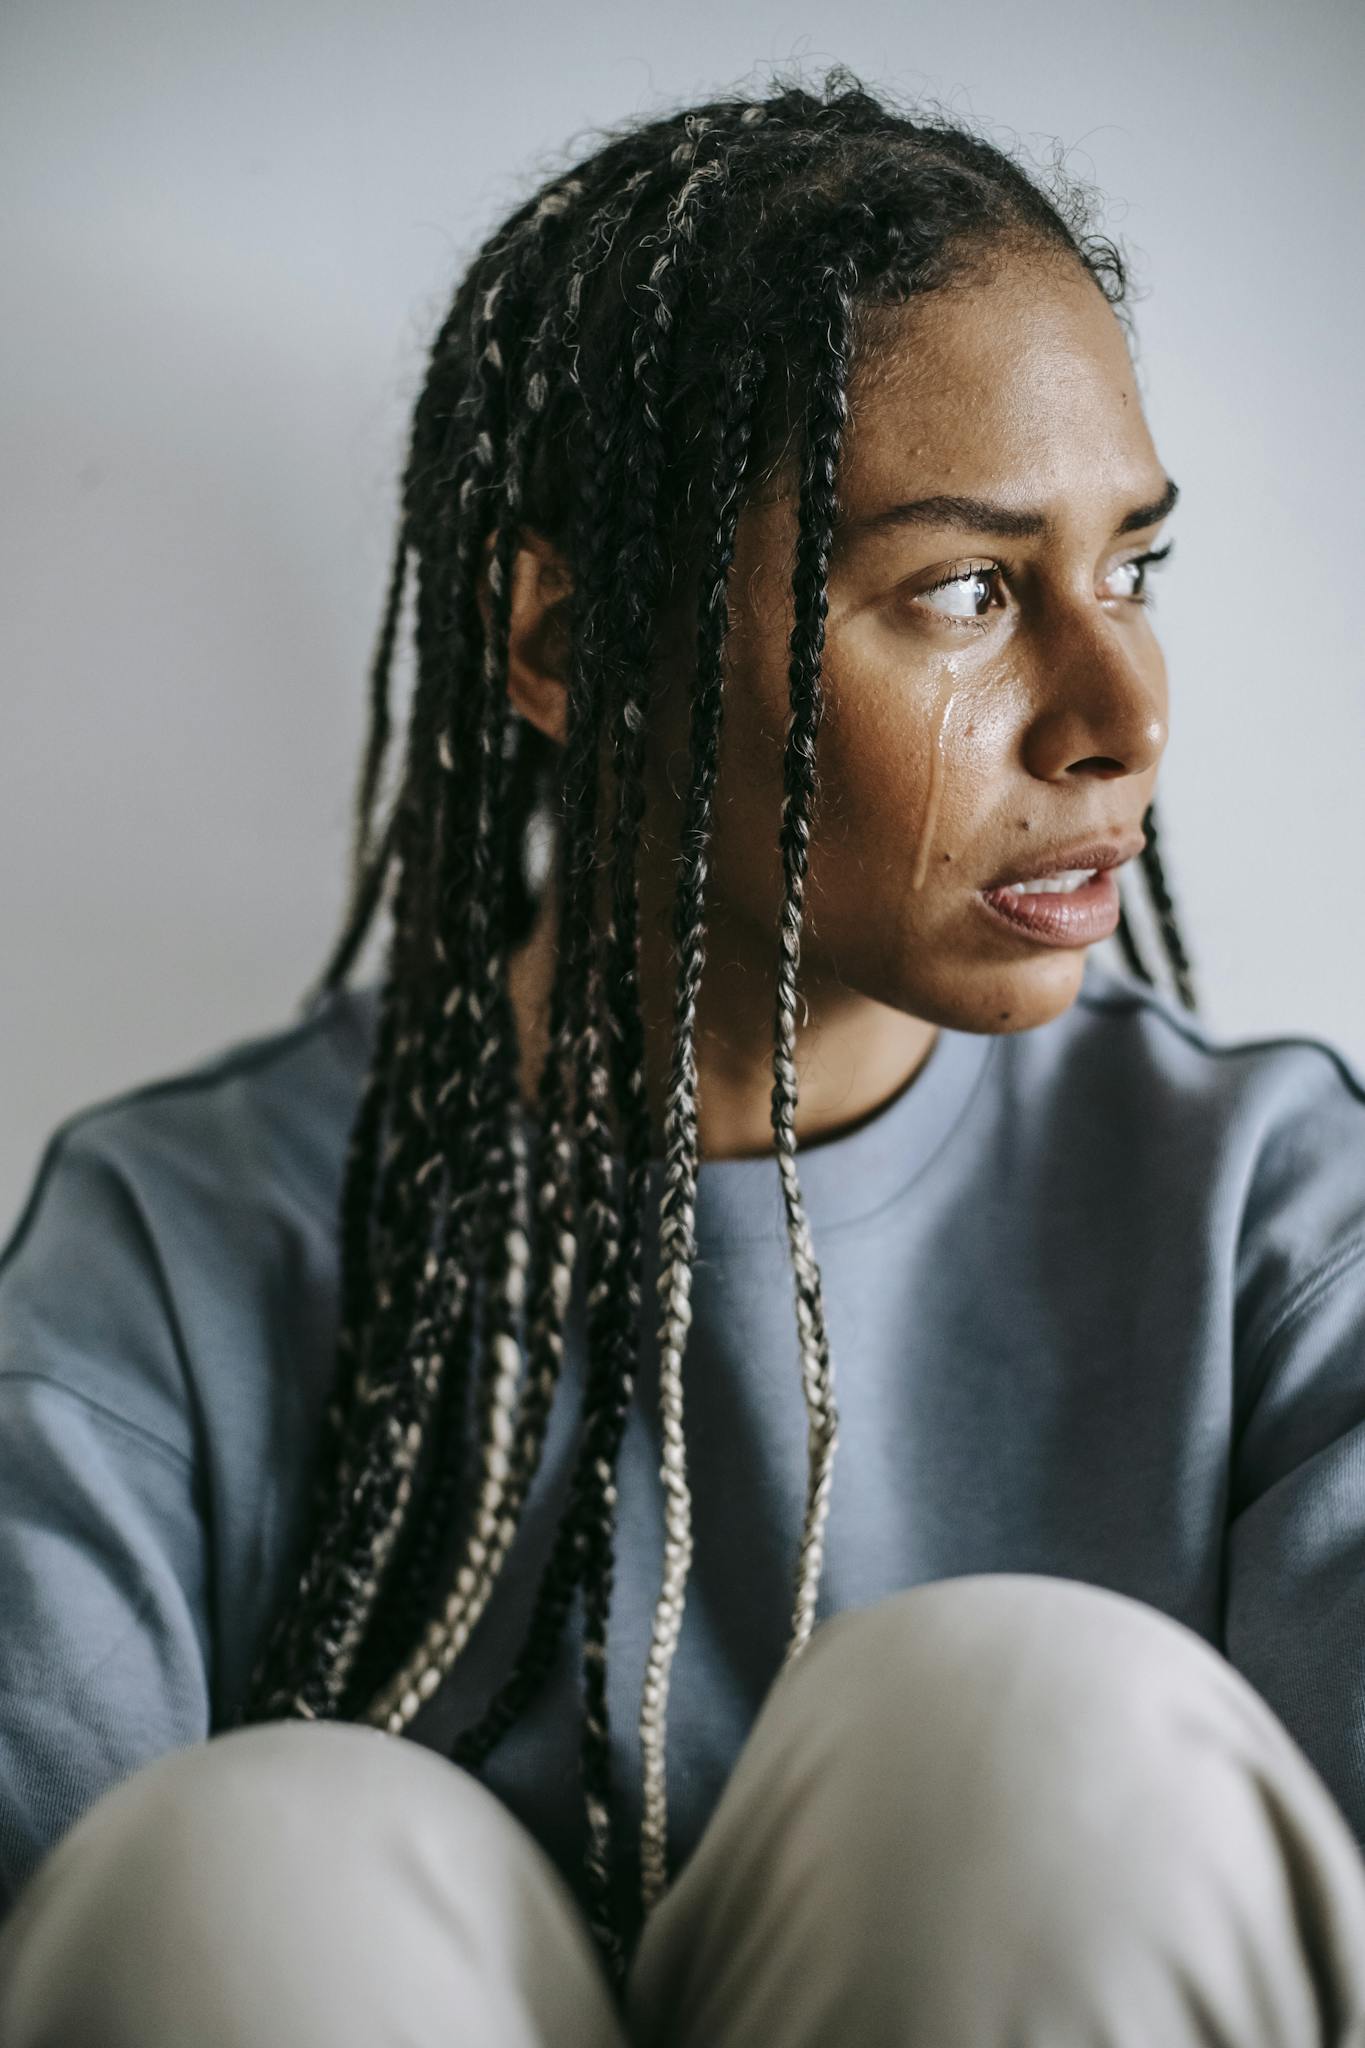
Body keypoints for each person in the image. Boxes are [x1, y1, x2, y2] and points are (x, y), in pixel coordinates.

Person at [2, 62, 1365, 2048]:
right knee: (254, 1859)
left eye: (1131, 566)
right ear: (563, 644)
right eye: (968, 590)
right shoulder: (169, 1263)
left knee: (1028, 1732)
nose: (1117, 710)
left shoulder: (1276, 1224)